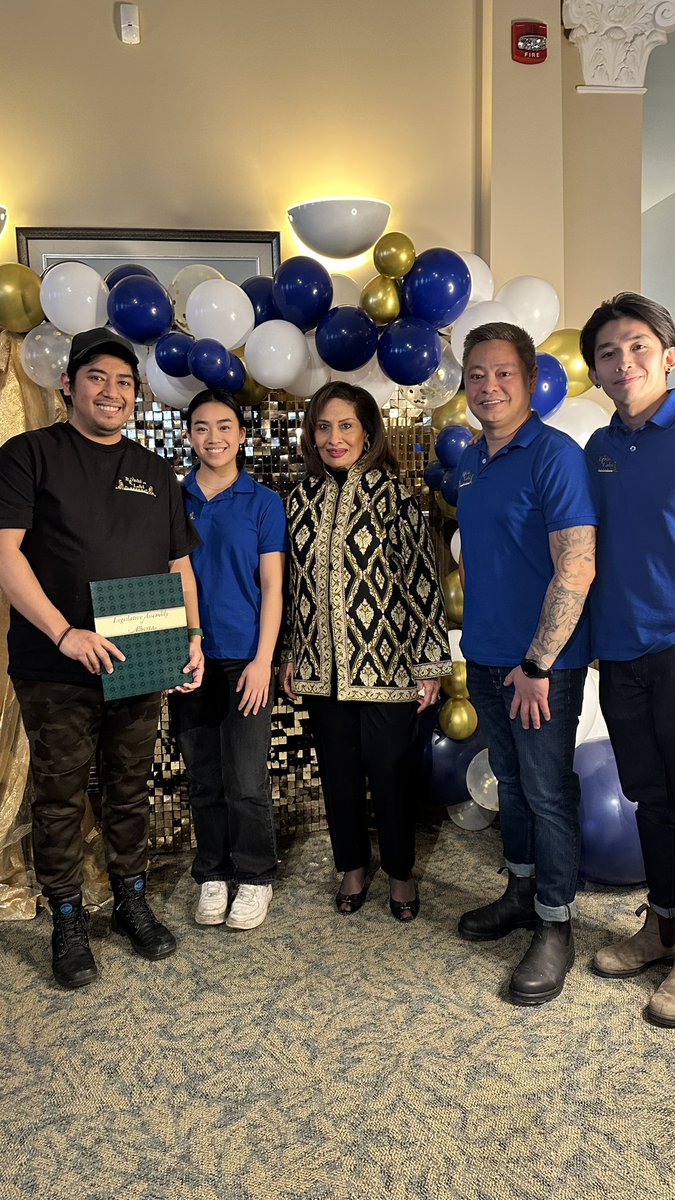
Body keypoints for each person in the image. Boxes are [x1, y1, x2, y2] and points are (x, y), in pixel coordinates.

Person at [0, 327, 204, 989]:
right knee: (59, 796)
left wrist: (191, 638)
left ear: (135, 396)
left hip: (139, 663)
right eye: (96, 378)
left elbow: (179, 565)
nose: (111, 391)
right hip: (55, 664)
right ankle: (64, 915)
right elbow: (6, 555)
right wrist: (65, 634)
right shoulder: (28, 455)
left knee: (128, 788)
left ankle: (130, 900)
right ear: (68, 386)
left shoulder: (154, 470)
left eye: (123, 381)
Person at [455, 322, 597, 1005]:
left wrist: (538, 663)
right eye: (476, 374)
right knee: (509, 786)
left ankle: (554, 924)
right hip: (483, 660)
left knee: (545, 793)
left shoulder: (554, 455)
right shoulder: (473, 463)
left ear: (531, 380)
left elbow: (576, 563)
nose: (488, 386)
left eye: (502, 373)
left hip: (540, 667)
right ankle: (518, 891)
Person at [280, 381, 452, 922]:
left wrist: (429, 665)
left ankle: (400, 874)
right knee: (338, 772)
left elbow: (423, 580)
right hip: (320, 665)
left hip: (387, 663)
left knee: (392, 772)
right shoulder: (298, 499)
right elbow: (290, 587)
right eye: (324, 427)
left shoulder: (395, 495)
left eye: (346, 426)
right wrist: (290, 652)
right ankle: (352, 867)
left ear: (368, 431)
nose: (335, 438)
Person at [580, 292, 675, 1027]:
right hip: (619, 655)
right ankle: (661, 926)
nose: (624, 362)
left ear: (667, 356)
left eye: (637, 346)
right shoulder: (599, 451)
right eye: (608, 353)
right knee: (650, 800)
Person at [170, 389, 286, 931]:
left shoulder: (263, 502)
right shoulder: (175, 499)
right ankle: (212, 872)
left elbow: (273, 586)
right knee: (202, 777)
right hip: (188, 656)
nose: (213, 438)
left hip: (245, 659)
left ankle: (256, 875)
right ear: (188, 435)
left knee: (244, 777)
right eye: (201, 427)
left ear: (242, 436)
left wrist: (264, 660)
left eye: (224, 427)